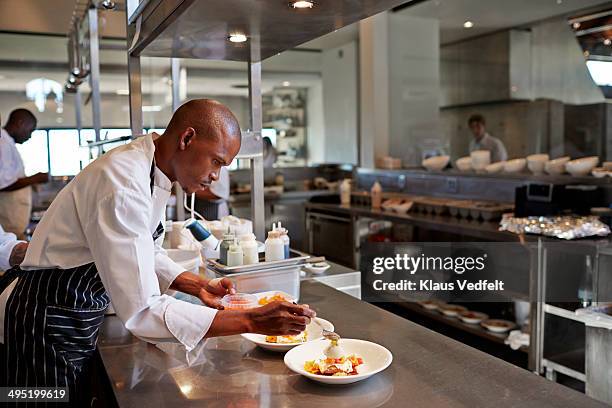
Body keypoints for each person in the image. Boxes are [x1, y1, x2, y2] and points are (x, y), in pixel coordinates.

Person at [0, 99, 314, 403]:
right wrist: (251, 321)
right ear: (187, 138)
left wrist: (199, 285)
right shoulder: (123, 182)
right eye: (216, 161)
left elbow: (145, 249)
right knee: (40, 399)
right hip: (47, 318)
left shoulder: (152, 170)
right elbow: (142, 310)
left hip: (74, 312)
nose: (216, 176)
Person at [0, 109, 49, 239]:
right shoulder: (3, 144)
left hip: (13, 226)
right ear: (20, 123)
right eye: (30, 130)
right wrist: (35, 178)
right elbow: (3, 184)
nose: (29, 136)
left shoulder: (8, 143)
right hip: (8, 225)